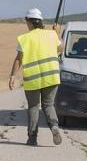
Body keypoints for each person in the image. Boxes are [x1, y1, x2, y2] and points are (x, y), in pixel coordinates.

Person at [7, 8, 63, 146]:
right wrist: (57, 33)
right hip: (51, 77)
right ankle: (54, 127)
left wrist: (13, 76)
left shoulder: (24, 39)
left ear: (30, 22)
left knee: (33, 106)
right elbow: (61, 49)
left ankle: (32, 138)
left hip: (32, 79)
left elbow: (18, 59)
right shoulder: (51, 34)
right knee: (48, 105)